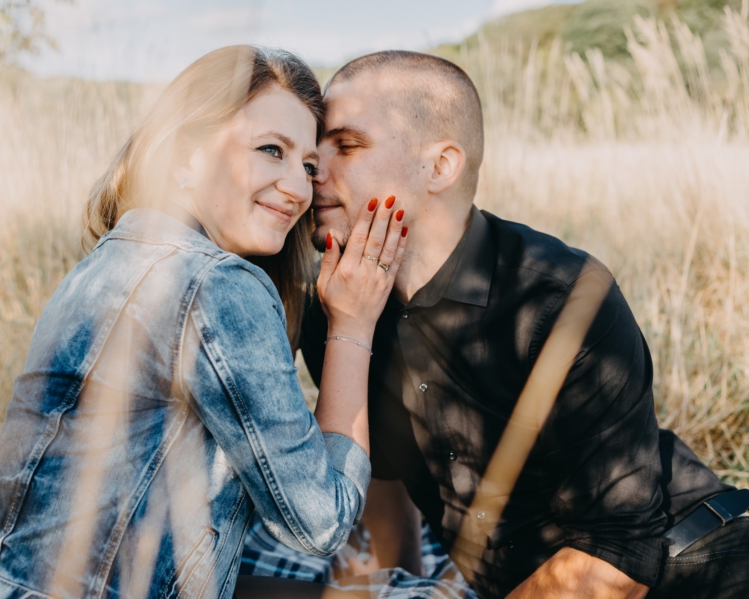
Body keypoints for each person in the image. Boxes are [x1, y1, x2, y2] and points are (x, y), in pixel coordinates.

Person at [0, 45, 409, 599]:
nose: (299, 189)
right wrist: (352, 324)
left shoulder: (114, 254)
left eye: (307, 166)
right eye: (270, 150)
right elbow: (322, 522)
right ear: (186, 157)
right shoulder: (218, 286)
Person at [297, 50, 749, 599]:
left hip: (694, 562)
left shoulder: (559, 298)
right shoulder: (340, 308)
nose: (313, 166)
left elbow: (617, 557)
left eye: (346, 145)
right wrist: (402, 589)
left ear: (440, 166)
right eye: (315, 147)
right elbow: (381, 480)